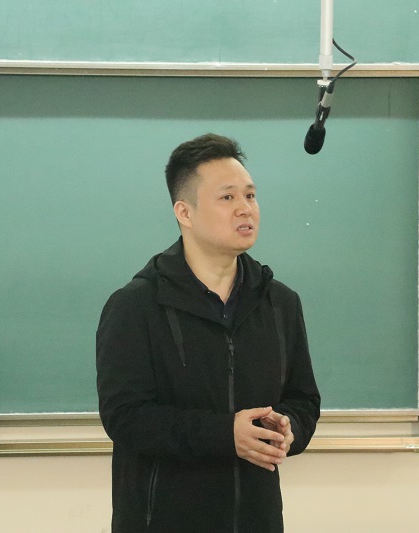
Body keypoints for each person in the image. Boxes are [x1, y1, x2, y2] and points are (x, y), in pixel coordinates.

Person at [96, 133, 321, 533]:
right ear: (185, 212)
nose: (245, 208)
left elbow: (303, 399)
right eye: (227, 197)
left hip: (257, 520)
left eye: (250, 196)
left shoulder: (280, 302)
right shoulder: (136, 305)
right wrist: (224, 434)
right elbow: (126, 418)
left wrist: (290, 428)